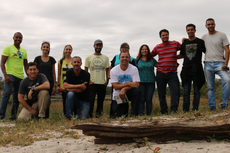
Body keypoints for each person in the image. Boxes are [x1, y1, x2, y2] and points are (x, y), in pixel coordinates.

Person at [201, 18, 230, 110]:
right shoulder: (204, 37)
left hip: (220, 64)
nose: (210, 26)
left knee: (227, 80)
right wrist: (185, 40)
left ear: (215, 24)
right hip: (208, 64)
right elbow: (197, 45)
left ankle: (224, 104)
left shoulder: (222, 35)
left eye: (212, 24)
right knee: (210, 87)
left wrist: (226, 64)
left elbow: (227, 50)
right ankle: (212, 107)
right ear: (206, 26)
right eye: (208, 24)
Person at [152, 29, 181, 114]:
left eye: (166, 35)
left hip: (172, 73)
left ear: (168, 35)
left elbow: (184, 48)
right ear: (160, 37)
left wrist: (177, 57)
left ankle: (174, 110)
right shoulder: (158, 47)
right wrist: (156, 64)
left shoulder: (175, 44)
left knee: (175, 91)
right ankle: (164, 111)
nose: (165, 36)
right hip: (160, 73)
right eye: (163, 35)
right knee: (161, 93)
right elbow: (149, 56)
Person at [177, 24, 206, 112]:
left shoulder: (200, 42)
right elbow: (182, 54)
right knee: (186, 91)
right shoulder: (184, 43)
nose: (190, 31)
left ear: (195, 30)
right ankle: (185, 110)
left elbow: (207, 52)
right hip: (186, 68)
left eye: (192, 29)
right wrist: (171, 57)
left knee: (197, 91)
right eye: (188, 30)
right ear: (186, 31)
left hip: (197, 68)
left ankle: (195, 109)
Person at [0, 32, 28, 121]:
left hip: (20, 76)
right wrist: (6, 75)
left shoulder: (24, 51)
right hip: (10, 75)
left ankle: (13, 116)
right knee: (7, 93)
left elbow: (26, 65)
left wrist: (29, 78)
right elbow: (2, 63)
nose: (18, 39)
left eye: (20, 38)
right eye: (16, 37)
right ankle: (1, 116)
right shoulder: (8, 48)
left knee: (17, 97)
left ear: (22, 39)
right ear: (13, 38)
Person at [108, 42, 136, 117]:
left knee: (137, 91)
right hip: (117, 84)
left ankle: (134, 114)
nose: (124, 49)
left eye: (126, 48)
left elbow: (135, 82)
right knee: (118, 111)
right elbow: (111, 66)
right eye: (123, 48)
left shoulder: (132, 59)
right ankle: (113, 115)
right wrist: (108, 74)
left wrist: (126, 87)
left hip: (128, 88)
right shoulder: (116, 57)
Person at [85, 39, 109, 118]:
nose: (98, 47)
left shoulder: (105, 57)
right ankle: (89, 115)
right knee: (91, 100)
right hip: (92, 83)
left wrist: (107, 80)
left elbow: (107, 69)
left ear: (102, 46)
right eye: (97, 45)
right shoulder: (89, 57)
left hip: (102, 83)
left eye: (100, 45)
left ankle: (99, 115)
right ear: (94, 46)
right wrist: (88, 81)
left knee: (100, 101)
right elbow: (86, 70)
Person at [34, 41, 56, 118]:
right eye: (44, 47)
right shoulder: (37, 59)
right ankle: (37, 115)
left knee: (47, 100)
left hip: (49, 82)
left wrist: (54, 85)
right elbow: (34, 71)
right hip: (39, 82)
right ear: (41, 48)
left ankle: (45, 117)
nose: (45, 48)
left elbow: (53, 73)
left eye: (47, 47)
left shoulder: (52, 59)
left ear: (49, 49)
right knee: (38, 99)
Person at [135, 44, 157, 115]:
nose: (144, 50)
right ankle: (141, 114)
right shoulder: (137, 60)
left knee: (148, 99)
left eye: (146, 49)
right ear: (140, 51)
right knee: (141, 99)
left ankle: (149, 115)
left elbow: (160, 66)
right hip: (140, 82)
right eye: (143, 49)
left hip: (151, 82)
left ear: (148, 50)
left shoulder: (152, 60)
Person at [57, 45, 77, 116]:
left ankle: (74, 114)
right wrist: (59, 85)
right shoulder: (61, 61)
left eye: (69, 49)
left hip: (72, 84)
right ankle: (66, 115)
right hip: (63, 85)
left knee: (73, 99)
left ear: (71, 51)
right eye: (66, 49)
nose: (68, 51)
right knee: (65, 100)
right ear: (64, 50)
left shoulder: (74, 60)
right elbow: (59, 74)